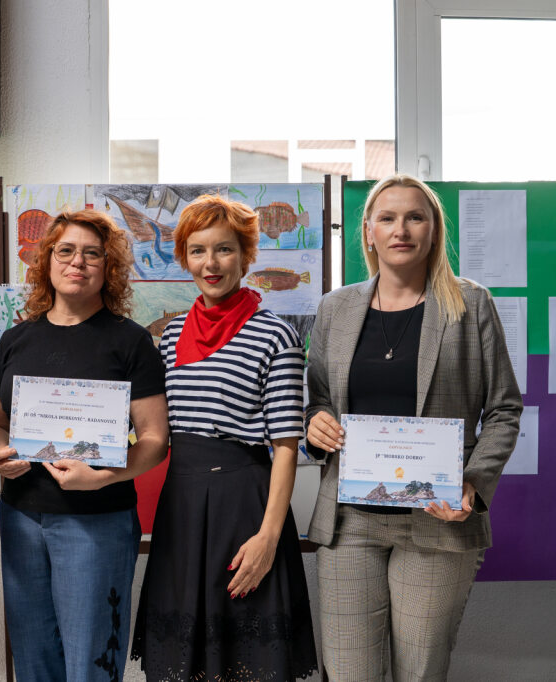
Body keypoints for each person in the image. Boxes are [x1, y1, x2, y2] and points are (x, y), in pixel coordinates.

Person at [305, 174, 522, 681]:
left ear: (434, 230)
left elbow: (504, 409)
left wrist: (473, 483)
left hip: (437, 519)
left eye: (415, 217)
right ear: (369, 231)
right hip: (350, 520)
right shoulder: (336, 307)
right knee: (348, 671)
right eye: (387, 218)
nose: (400, 229)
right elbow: (318, 399)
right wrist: (315, 423)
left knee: (419, 672)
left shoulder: (470, 304)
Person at [130, 194, 319, 681]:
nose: (210, 263)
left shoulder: (275, 335)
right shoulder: (171, 336)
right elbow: (153, 428)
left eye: (224, 249)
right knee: (181, 662)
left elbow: (285, 446)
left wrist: (269, 538)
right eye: (197, 251)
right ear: (184, 258)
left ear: (246, 256)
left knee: (247, 659)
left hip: (245, 505)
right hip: (181, 504)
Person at [0, 209, 169, 682]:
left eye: (92, 254)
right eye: (65, 251)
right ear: (47, 260)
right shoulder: (16, 338)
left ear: (109, 267)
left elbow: (154, 440)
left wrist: (102, 476)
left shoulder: (130, 342)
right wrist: (2, 452)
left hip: (97, 519)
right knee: (33, 658)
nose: (78, 262)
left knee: (91, 661)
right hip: (21, 516)